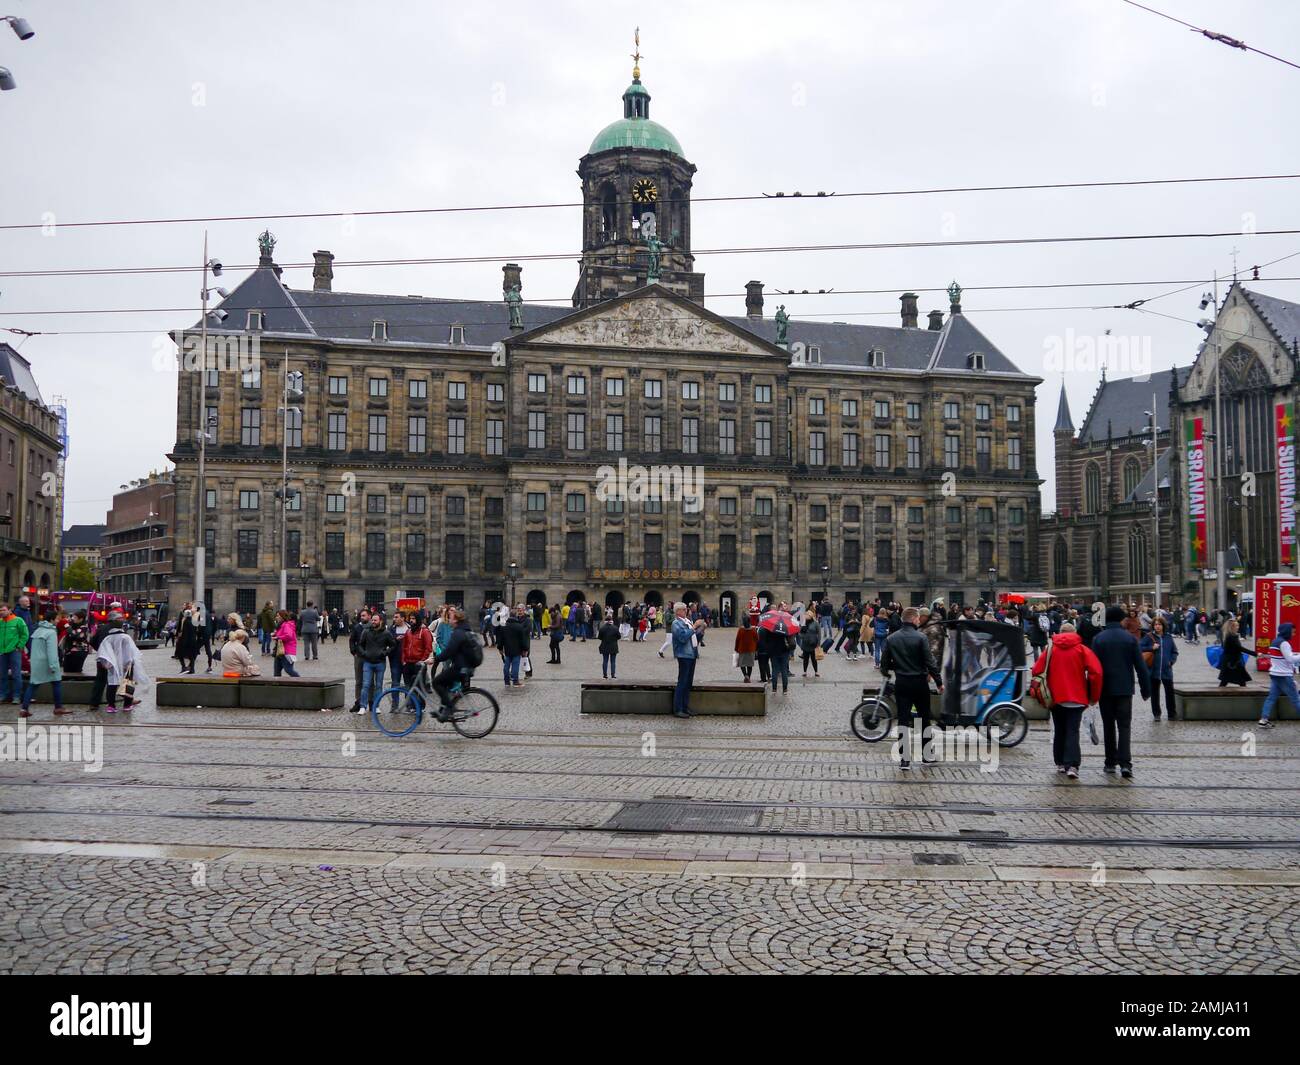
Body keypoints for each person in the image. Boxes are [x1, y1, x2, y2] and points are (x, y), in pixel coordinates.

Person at [1032, 621, 1103, 779]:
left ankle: (1060, 763)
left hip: (1055, 697)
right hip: (1077, 697)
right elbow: (1096, 673)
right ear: (1075, 633)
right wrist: (1093, 696)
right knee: (1072, 731)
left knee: (1059, 730)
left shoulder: (1050, 650)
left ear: (1060, 632)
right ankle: (1072, 765)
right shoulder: (1083, 649)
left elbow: (1036, 670)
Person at [880, 607, 943, 770]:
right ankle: (927, 756)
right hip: (920, 683)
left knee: (903, 720)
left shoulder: (892, 638)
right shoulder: (921, 637)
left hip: (902, 683)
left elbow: (884, 665)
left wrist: (894, 668)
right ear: (914, 619)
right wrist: (939, 682)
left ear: (902, 619)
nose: (918, 621)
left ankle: (904, 760)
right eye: (917, 619)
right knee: (924, 719)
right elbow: (930, 662)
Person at [1092, 605, 1151, 777]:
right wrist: (1146, 690)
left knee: (1108, 726)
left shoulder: (1098, 639)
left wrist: (1091, 692)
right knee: (1124, 726)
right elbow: (1140, 666)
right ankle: (1126, 764)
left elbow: (1094, 668)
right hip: (1125, 689)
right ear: (1121, 619)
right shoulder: (1129, 639)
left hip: (1105, 689)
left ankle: (1110, 762)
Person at [430, 608, 481, 716]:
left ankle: (449, 708)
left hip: (460, 668)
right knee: (444, 684)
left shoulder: (458, 633)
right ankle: (442, 710)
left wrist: (436, 659)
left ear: (456, 620)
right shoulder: (467, 630)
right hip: (467, 667)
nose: (450, 621)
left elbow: (449, 651)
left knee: (436, 682)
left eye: (452, 618)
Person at [94, 612, 149, 713]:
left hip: (113, 666)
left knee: (112, 684)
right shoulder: (126, 638)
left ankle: (111, 705)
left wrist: (107, 663)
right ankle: (127, 705)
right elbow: (131, 652)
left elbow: (103, 653)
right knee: (128, 684)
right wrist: (129, 663)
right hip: (126, 666)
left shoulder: (108, 638)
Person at [20, 608, 68, 717]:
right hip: (47, 663)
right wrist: (53, 666)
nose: (58, 621)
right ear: (51, 620)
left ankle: (24, 709)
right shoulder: (51, 632)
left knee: (33, 685)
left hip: (36, 662)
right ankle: (58, 707)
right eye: (57, 619)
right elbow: (52, 651)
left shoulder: (38, 630)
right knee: (56, 683)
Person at [1260, 621, 1300, 728]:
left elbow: (1281, 657)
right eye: (1293, 632)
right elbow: (1290, 659)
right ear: (1287, 632)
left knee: (1271, 697)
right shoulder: (1284, 643)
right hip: (1284, 675)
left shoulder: (1275, 642)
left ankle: (1263, 720)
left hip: (1274, 674)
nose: (1293, 634)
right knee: (1296, 698)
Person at [356, 613, 397, 714]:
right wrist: (364, 653)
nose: (373, 622)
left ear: (380, 621)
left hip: (380, 663)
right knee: (365, 685)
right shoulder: (366, 631)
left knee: (378, 685)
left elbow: (393, 645)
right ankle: (363, 706)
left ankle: (376, 705)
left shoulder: (386, 633)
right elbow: (360, 645)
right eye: (372, 620)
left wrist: (384, 653)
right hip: (368, 662)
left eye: (375, 620)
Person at [1140, 617, 1179, 721]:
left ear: (1163, 626)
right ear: (1153, 626)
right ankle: (1156, 714)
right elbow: (1139, 648)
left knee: (1169, 693)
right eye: (1155, 624)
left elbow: (1174, 652)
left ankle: (1172, 714)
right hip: (1153, 670)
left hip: (1167, 670)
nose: (1157, 626)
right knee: (1155, 693)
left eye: (1159, 624)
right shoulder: (1149, 637)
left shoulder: (1168, 637)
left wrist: (1171, 661)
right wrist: (1151, 648)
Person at [670, 604, 704, 718]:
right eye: (683, 609)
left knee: (688, 683)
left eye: (686, 609)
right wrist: (694, 627)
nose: (686, 611)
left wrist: (701, 630)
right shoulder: (676, 623)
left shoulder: (687, 621)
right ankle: (678, 709)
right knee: (682, 682)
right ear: (677, 611)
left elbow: (694, 637)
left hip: (692, 654)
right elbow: (682, 637)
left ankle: (685, 707)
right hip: (684, 655)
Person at [0, 603, 29, 704]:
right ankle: (3, 695)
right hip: (2, 651)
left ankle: (16, 696)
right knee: (2, 675)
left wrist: (19, 647)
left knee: (16, 675)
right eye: (0, 610)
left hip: (14, 651)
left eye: (3, 610)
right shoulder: (0, 622)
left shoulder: (18, 620)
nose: (1, 612)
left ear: (10, 610)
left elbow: (25, 635)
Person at [347, 608, 372, 713]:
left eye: (364, 615)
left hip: (371, 657)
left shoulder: (373, 627)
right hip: (360, 657)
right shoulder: (357, 627)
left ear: (369, 616)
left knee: (371, 681)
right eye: (361, 616)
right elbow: (352, 640)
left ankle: (372, 701)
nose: (362, 617)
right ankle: (359, 702)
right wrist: (354, 652)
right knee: (359, 681)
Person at [1218, 618, 1255, 687]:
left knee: (1227, 681)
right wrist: (1255, 653)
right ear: (1232, 627)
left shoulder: (1228, 635)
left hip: (1231, 661)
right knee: (1229, 681)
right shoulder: (1231, 637)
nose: (1238, 627)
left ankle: (1218, 695)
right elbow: (1240, 648)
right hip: (1232, 663)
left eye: (1238, 625)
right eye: (1236, 626)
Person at [500, 606, 531, 687]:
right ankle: (515, 681)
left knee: (506, 665)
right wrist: (525, 648)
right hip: (517, 649)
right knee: (515, 665)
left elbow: (501, 639)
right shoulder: (519, 627)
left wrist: (500, 648)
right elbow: (522, 639)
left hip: (507, 649)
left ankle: (506, 682)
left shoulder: (504, 627)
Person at [760, 620, 792, 697]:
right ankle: (785, 689)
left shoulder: (771, 630)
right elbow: (789, 640)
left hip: (774, 652)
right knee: (784, 670)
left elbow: (766, 640)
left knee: (775, 670)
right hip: (784, 652)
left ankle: (774, 689)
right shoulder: (785, 629)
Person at [272, 610, 300, 678]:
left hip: (287, 651)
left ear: (282, 617)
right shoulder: (281, 625)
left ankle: (300, 680)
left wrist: (277, 637)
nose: (276, 617)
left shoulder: (287, 625)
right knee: (277, 671)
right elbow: (282, 633)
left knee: (288, 670)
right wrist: (275, 634)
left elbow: (288, 635)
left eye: (278, 616)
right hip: (280, 651)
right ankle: (277, 686)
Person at [597, 610, 621, 679]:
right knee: (613, 661)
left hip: (604, 646)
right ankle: (613, 675)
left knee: (605, 661)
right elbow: (619, 637)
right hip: (613, 646)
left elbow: (599, 637)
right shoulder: (615, 628)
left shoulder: (602, 628)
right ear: (611, 621)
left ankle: (605, 675)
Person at [734, 615, 758, 682]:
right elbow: (757, 639)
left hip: (742, 649)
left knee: (742, 664)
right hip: (751, 649)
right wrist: (756, 649)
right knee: (749, 664)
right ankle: (748, 676)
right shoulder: (753, 630)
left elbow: (737, 640)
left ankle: (745, 675)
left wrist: (736, 649)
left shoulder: (741, 630)